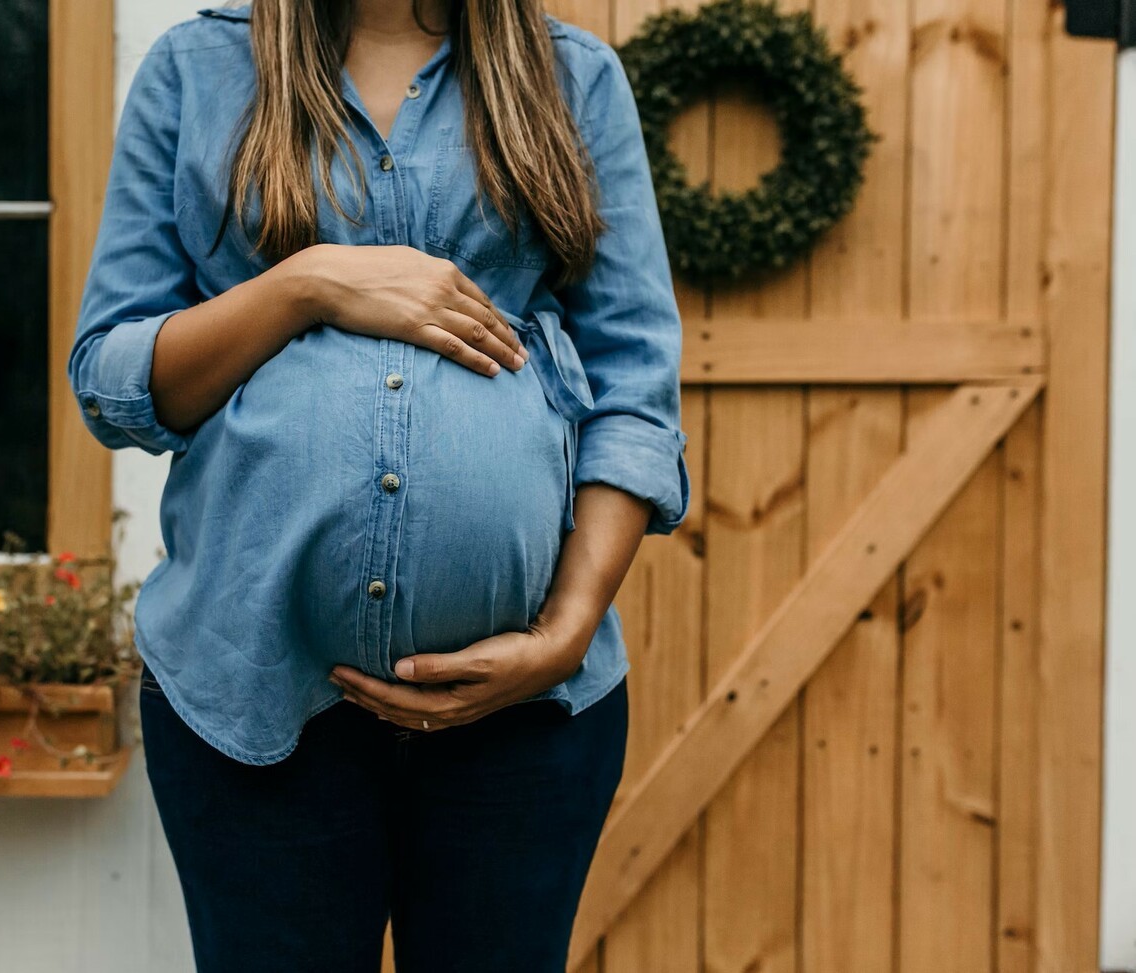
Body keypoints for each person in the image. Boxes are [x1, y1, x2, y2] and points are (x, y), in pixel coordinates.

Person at [68, 1, 690, 969]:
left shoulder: (574, 78)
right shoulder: (197, 72)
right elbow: (114, 379)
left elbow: (635, 386)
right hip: (251, 699)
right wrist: (305, 282)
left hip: (523, 716)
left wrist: (563, 635)